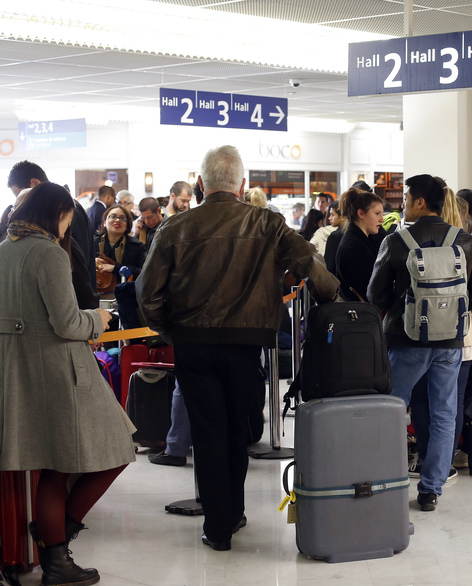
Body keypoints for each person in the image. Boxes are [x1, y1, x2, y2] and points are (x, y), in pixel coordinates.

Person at [138, 145, 339, 551]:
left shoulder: (175, 228)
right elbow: (308, 261)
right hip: (248, 345)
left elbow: (147, 294)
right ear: (243, 186)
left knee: (209, 433)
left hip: (194, 345)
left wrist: (171, 330)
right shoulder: (266, 223)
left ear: (200, 184)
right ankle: (234, 512)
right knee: (238, 431)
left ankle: (219, 526)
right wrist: (334, 296)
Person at [0, 182, 134, 586]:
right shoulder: (48, 252)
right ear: (57, 213)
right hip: (60, 371)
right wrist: (97, 321)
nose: (70, 225)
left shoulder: (2, 251)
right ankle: (58, 540)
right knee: (119, 446)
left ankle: (55, 555)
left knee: (53, 465)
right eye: (68, 216)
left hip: (17, 373)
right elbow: (67, 323)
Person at [368, 174, 472, 512]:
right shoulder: (465, 242)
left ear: (420, 202)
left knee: (393, 408)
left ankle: (388, 480)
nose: (402, 203)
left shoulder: (396, 241)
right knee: (444, 412)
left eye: (406, 198)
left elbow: (374, 294)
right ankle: (431, 489)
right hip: (450, 340)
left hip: (407, 340)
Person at [4, 161, 97, 307]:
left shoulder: (67, 210)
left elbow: (79, 266)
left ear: (34, 183)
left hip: (75, 306)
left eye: (24, 200)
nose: (22, 209)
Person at [335, 190, 384, 302]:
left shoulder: (365, 239)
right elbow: (370, 289)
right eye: (377, 213)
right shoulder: (353, 246)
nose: (382, 219)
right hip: (360, 313)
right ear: (361, 213)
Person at [93, 204, 147, 283]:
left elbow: (144, 272)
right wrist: (92, 262)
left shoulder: (137, 246)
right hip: (96, 291)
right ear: (104, 222)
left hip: (125, 291)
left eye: (122, 218)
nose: (117, 220)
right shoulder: (92, 242)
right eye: (113, 216)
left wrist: (116, 268)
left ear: (127, 225)